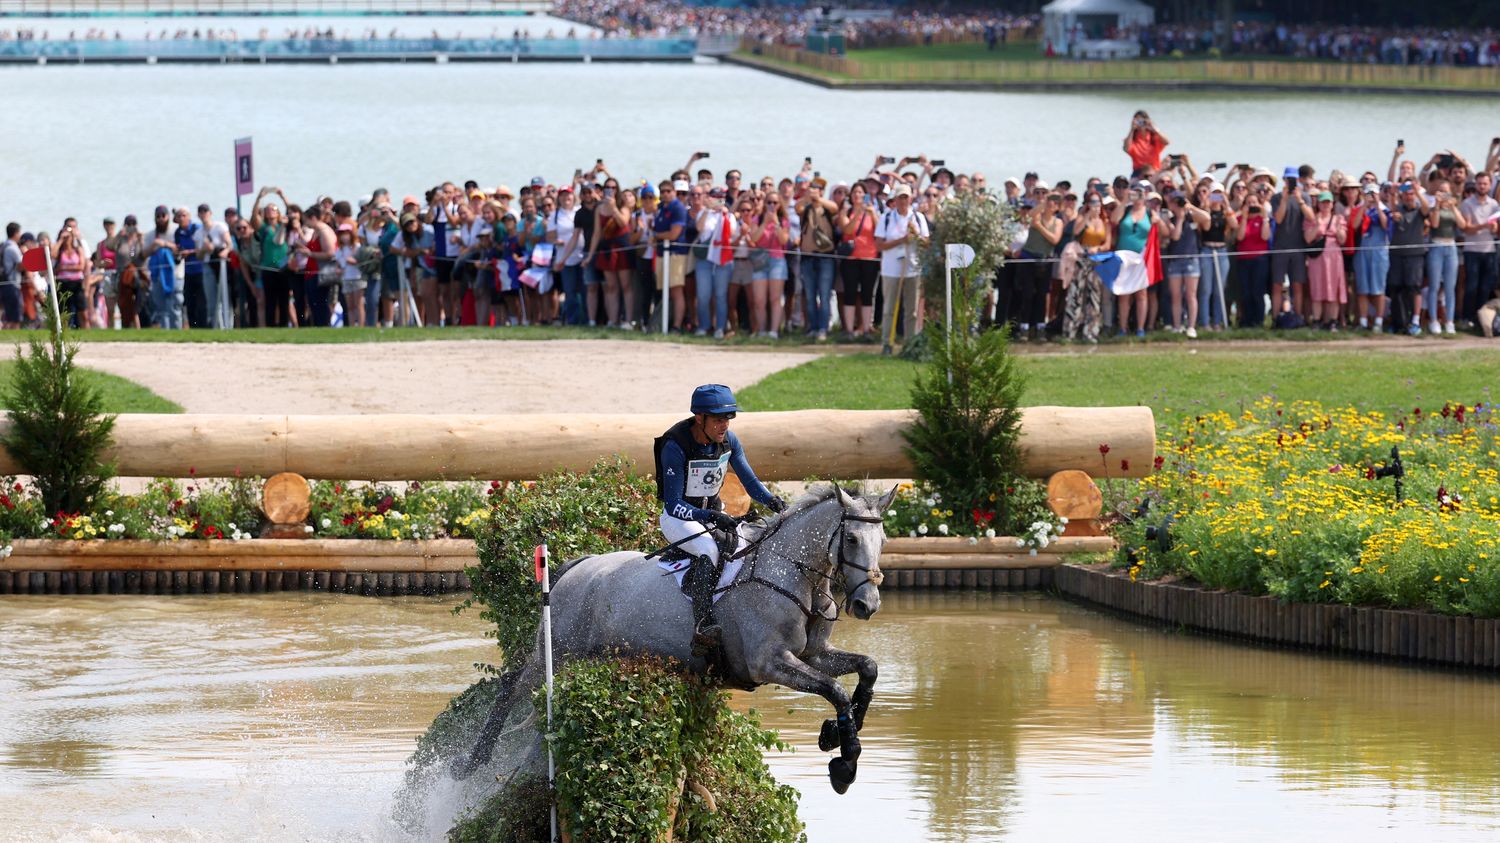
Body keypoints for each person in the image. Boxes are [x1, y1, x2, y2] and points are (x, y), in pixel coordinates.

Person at [653, 384, 784, 655]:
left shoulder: (729, 441)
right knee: (710, 550)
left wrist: (772, 501)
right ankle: (702, 626)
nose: (724, 425)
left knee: (745, 549)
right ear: (699, 418)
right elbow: (674, 504)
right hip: (679, 518)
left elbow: (750, 480)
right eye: (718, 419)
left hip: (712, 513)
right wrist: (708, 516)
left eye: (728, 418)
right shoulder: (675, 445)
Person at [875, 184, 929, 353]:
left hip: (912, 269)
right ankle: (887, 343)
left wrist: (916, 235)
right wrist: (901, 240)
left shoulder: (918, 217)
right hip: (891, 269)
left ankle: (910, 344)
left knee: (911, 310)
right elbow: (879, 245)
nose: (903, 201)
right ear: (895, 200)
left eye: (906, 197)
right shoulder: (887, 218)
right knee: (889, 308)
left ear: (910, 199)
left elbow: (927, 244)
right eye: (900, 197)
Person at [1299, 190, 1349, 331]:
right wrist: (1317, 225)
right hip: (1317, 257)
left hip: (1334, 257)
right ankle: (1317, 320)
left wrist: (1338, 230)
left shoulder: (1339, 219)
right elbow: (1308, 238)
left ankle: (1333, 320)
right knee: (1317, 287)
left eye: (1328, 202)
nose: (1326, 205)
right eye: (1323, 202)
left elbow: (1342, 239)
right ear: (1318, 204)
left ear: (1332, 204)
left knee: (1334, 288)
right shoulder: (1311, 219)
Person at [1459, 172, 1499, 328]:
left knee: (1485, 288)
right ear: (1475, 184)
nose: (1482, 186)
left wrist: (1495, 228)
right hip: (1472, 251)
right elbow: (1467, 229)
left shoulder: (1494, 205)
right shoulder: (1467, 204)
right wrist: (1484, 226)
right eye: (1479, 183)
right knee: (1471, 286)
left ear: (1489, 185)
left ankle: (1482, 320)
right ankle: (1467, 318)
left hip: (1489, 250)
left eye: (1485, 184)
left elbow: (1496, 230)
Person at [1, 223, 25, 329]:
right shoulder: (13, 248)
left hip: (3, 283)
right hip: (12, 284)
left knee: (6, 316)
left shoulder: (3, 245)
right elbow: (22, 266)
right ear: (15, 233)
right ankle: (14, 340)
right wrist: (25, 253)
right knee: (15, 318)